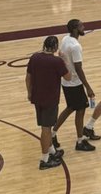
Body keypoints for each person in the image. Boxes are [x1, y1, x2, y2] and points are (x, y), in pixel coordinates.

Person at [26, 35, 69, 169]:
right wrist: (65, 60)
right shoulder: (57, 61)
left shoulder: (34, 57)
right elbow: (68, 77)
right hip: (50, 99)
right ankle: (45, 160)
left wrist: (29, 93)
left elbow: (28, 77)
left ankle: (52, 151)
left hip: (37, 97)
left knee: (46, 127)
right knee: (46, 129)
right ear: (55, 47)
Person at [54, 19, 97, 152]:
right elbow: (78, 68)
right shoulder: (76, 46)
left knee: (70, 108)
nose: (83, 27)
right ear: (74, 29)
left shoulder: (65, 39)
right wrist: (87, 87)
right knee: (80, 110)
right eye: (81, 26)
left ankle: (52, 134)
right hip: (74, 83)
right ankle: (80, 141)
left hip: (65, 81)